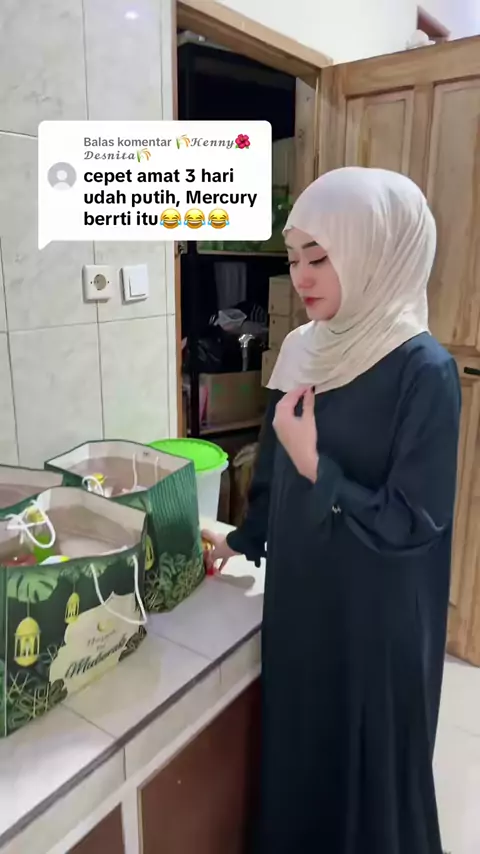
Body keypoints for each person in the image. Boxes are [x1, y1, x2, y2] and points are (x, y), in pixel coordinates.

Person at [202, 167, 461, 854]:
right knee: (301, 750)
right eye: (294, 259)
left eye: (320, 257)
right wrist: (242, 539)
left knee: (364, 769)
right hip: (303, 596)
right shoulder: (302, 347)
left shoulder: (424, 372)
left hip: (376, 614)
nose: (302, 277)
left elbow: (414, 524)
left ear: (375, 252)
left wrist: (320, 466)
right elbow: (273, 472)